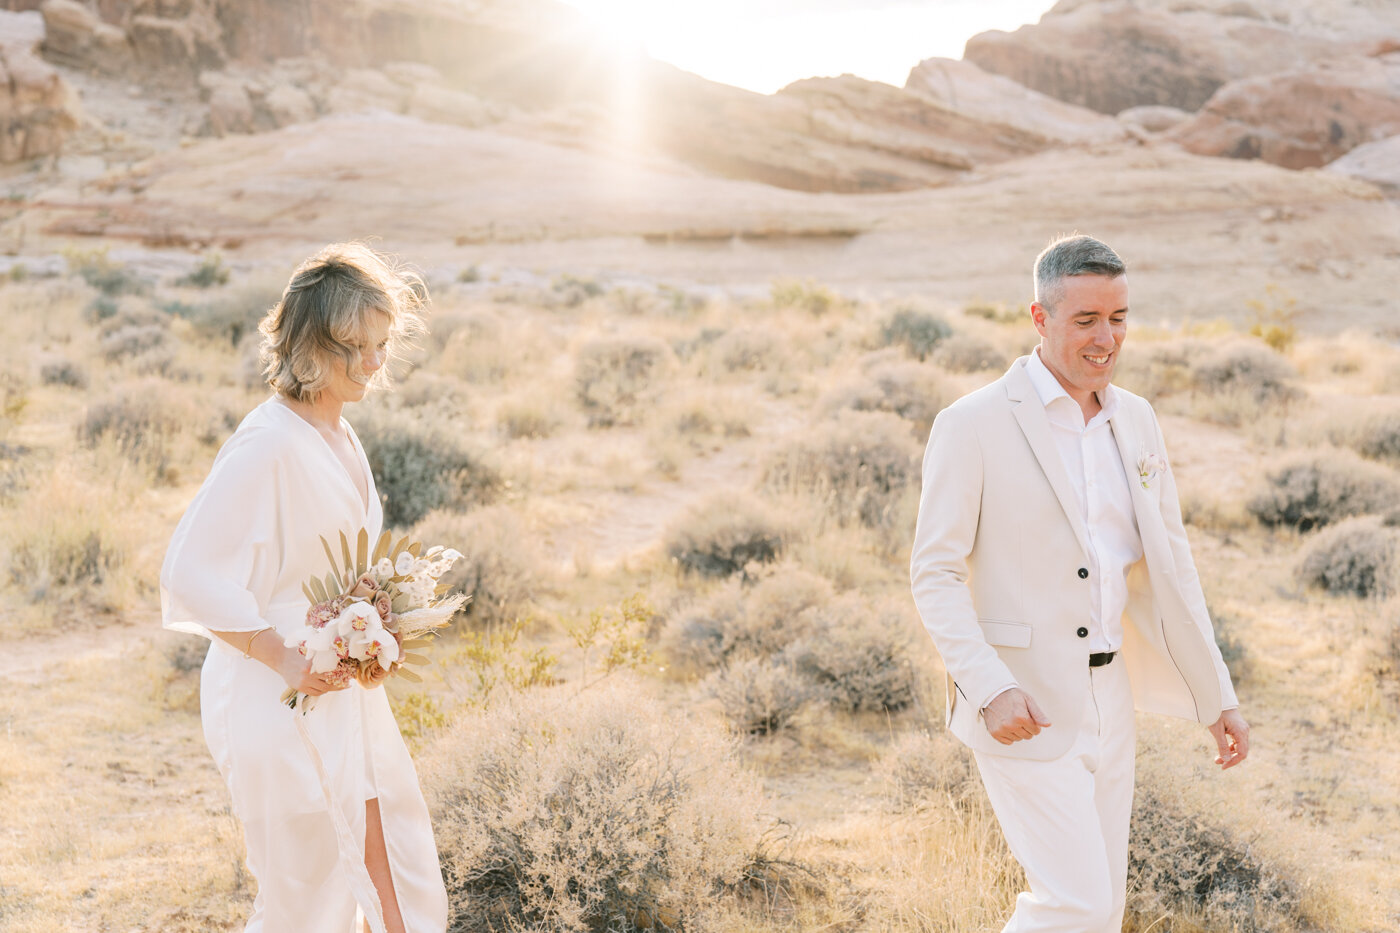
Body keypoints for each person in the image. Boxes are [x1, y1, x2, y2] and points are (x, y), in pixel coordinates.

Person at [909, 234, 1249, 932]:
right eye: (1086, 319)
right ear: (1039, 318)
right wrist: (988, 685)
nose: (1107, 337)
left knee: (1102, 909)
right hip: (1022, 700)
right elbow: (934, 572)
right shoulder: (970, 424)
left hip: (1112, 695)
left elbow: (1173, 565)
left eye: (1119, 317)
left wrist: (1217, 692)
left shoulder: (1138, 419)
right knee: (1076, 906)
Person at [161, 243, 448, 933]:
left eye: (382, 344)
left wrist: (375, 629)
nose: (376, 363)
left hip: (342, 690)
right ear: (311, 348)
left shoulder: (341, 433)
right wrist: (283, 654)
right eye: (358, 346)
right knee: (307, 902)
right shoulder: (268, 443)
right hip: (272, 692)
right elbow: (188, 571)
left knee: (396, 872)